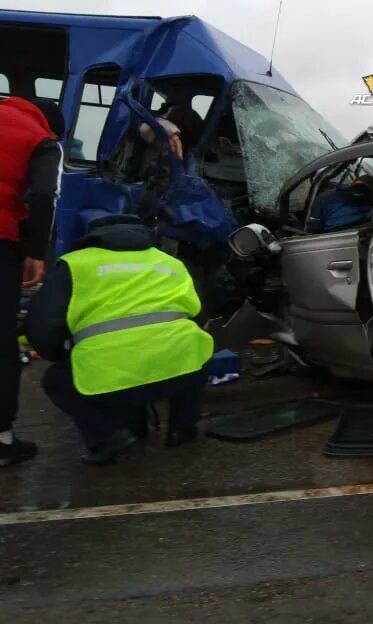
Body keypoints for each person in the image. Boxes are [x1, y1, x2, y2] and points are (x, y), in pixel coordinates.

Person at [27, 214, 214, 464]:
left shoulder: (75, 265)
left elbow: (43, 328)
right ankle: (181, 428)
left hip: (109, 374)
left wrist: (67, 354)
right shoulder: (170, 262)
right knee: (195, 346)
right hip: (178, 368)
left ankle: (108, 435)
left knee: (56, 381)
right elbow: (198, 313)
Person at [0, 96, 64, 467]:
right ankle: (3, 440)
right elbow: (43, 195)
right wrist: (35, 250)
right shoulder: (40, 139)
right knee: (2, 343)